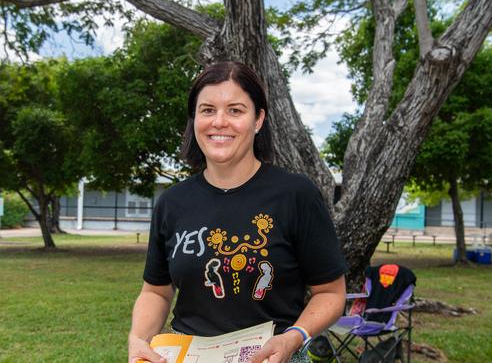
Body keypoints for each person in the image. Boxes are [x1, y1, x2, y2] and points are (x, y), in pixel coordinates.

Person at [128, 61, 347, 363]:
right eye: (207, 110)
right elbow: (156, 292)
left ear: (258, 120)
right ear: (194, 120)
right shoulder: (172, 203)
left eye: (235, 110)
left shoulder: (295, 194)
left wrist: (292, 338)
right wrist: (138, 338)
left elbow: (331, 293)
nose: (219, 122)